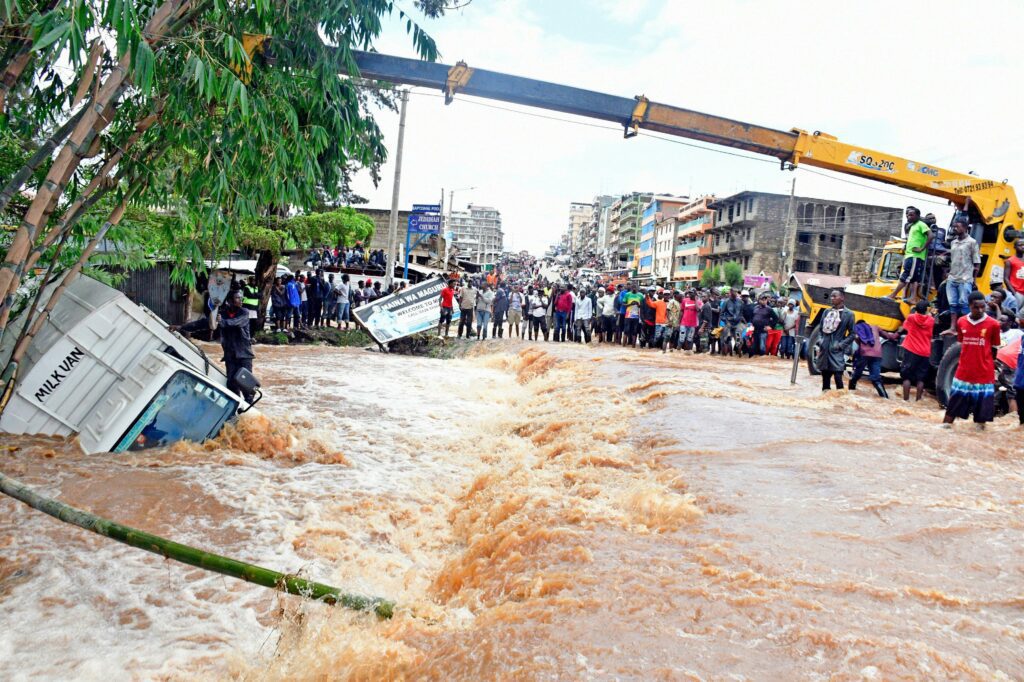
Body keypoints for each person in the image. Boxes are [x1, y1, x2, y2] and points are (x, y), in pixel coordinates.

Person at [943, 291, 1001, 429]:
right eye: (976, 307)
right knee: (951, 410)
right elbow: (961, 343)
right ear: (969, 306)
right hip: (963, 372)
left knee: (981, 419)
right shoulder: (961, 321)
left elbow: (994, 347)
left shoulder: (993, 325)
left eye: (983, 307)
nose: (980, 310)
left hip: (984, 373)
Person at [885, 300, 934, 401]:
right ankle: (918, 401)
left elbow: (905, 327)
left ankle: (906, 400)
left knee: (907, 377)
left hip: (911, 350)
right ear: (926, 310)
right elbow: (931, 317)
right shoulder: (931, 320)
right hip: (925, 352)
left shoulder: (911, 318)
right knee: (921, 379)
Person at [219, 291, 256, 403]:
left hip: (244, 354)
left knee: (246, 384)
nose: (241, 300)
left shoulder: (244, 312)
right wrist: (182, 327)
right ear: (229, 301)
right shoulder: (222, 314)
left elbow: (236, 322)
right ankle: (236, 406)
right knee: (231, 383)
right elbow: (206, 323)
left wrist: (222, 322)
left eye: (241, 298)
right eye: (237, 298)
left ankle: (249, 406)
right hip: (230, 354)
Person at [813, 289, 855, 390]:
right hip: (825, 349)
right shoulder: (827, 312)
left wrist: (841, 345)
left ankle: (840, 401)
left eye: (834, 296)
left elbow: (853, 334)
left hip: (837, 349)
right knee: (825, 378)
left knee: (838, 376)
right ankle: (826, 400)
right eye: (831, 296)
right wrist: (821, 340)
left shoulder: (849, 314)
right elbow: (821, 329)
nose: (832, 298)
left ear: (842, 298)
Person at [887, 206, 930, 303]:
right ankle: (913, 298)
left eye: (911, 215)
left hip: (915, 256)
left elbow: (931, 235)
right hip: (910, 255)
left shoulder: (921, 224)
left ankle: (893, 295)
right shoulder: (913, 226)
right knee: (914, 278)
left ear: (918, 216)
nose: (908, 216)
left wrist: (922, 248)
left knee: (905, 276)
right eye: (907, 214)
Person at [945, 218, 979, 329]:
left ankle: (966, 327)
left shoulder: (972, 242)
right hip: (952, 277)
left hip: (965, 278)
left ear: (965, 227)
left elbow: (976, 262)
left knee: (964, 303)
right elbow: (952, 259)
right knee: (952, 304)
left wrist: (974, 279)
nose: (955, 228)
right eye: (954, 226)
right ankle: (953, 327)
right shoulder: (953, 242)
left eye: (957, 226)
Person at [848, 319, 888, 398]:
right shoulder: (875, 327)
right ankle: (885, 398)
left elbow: (857, 340)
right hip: (877, 354)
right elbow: (888, 336)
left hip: (864, 354)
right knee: (876, 378)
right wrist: (898, 333)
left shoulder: (858, 327)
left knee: (856, 375)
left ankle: (850, 394)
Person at [721, 289, 744, 356]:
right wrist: (726, 321)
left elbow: (741, 313)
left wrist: (740, 319)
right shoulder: (726, 302)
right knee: (727, 340)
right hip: (728, 323)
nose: (735, 293)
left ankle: (739, 354)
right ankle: (728, 355)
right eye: (733, 292)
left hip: (737, 323)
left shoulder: (740, 302)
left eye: (736, 292)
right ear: (730, 293)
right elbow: (722, 314)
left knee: (739, 340)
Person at [1004, 238, 1024, 310]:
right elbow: (1006, 278)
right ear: (1014, 247)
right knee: (1014, 312)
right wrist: (1013, 292)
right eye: (1020, 245)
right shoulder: (1010, 261)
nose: (1023, 246)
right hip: (1017, 292)